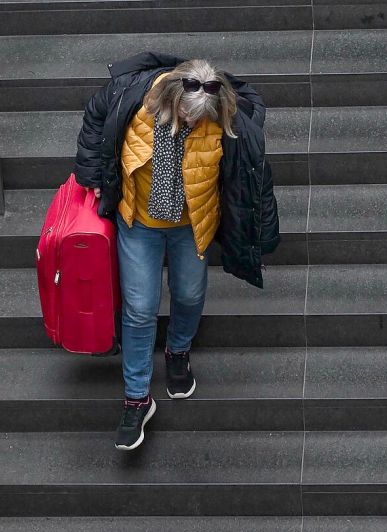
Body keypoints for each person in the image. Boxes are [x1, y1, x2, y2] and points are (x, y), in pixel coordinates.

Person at [73, 52, 280, 451]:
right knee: (138, 308)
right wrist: (92, 175)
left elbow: (250, 174)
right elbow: (95, 117)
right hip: (138, 223)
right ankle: (136, 398)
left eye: (199, 118)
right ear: (169, 97)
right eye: (185, 115)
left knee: (188, 294)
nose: (190, 123)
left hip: (191, 223)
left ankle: (178, 349)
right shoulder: (132, 96)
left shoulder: (224, 118)